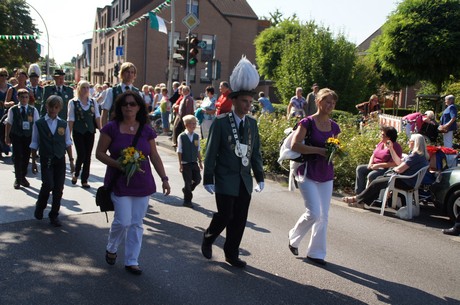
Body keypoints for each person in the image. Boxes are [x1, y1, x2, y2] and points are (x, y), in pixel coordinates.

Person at [95, 91, 170, 275]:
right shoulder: (111, 128)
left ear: (138, 107)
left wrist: (164, 178)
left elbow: (154, 156)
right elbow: (100, 153)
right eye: (125, 104)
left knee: (136, 223)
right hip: (119, 182)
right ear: (120, 108)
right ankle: (112, 247)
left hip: (142, 183)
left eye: (133, 104)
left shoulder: (146, 130)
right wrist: (118, 164)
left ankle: (132, 260)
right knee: (123, 221)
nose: (128, 107)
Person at [201, 57, 264, 268]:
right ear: (235, 101)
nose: (248, 106)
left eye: (250, 102)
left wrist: (260, 176)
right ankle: (209, 237)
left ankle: (231, 253)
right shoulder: (221, 122)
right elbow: (211, 152)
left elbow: (255, 152)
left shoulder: (252, 125)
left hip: (244, 179)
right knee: (225, 215)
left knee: (239, 219)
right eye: (244, 101)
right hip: (225, 177)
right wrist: (208, 177)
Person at [287, 88, 340, 266]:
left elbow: (335, 148)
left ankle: (316, 253)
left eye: (332, 102)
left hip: (326, 173)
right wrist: (319, 151)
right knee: (314, 212)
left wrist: (336, 152)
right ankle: (293, 237)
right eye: (326, 101)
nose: (330, 105)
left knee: (324, 216)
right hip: (307, 171)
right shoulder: (307, 122)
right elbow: (295, 145)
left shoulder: (334, 127)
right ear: (318, 102)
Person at [343, 133, 429, 208]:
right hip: (408, 181)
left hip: (405, 181)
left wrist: (393, 169)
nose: (408, 143)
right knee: (378, 181)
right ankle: (362, 202)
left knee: (376, 182)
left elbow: (399, 169)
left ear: (414, 143)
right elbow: (398, 162)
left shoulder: (415, 156)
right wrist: (391, 148)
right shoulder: (420, 156)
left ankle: (356, 199)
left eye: (409, 141)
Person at [30, 95, 75, 227]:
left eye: (56, 107)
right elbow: (34, 143)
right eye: (51, 107)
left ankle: (54, 215)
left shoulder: (63, 123)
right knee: (48, 184)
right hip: (46, 158)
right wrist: (33, 162)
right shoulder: (39, 124)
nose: (53, 110)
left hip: (59, 158)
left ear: (60, 108)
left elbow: (68, 142)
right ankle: (40, 205)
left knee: (58, 188)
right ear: (46, 107)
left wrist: (71, 161)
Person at [68, 80, 101, 188]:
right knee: (81, 154)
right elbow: (71, 119)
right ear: (79, 89)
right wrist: (68, 134)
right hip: (78, 131)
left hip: (90, 132)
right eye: (83, 87)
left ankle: (84, 180)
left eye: (87, 87)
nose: (86, 90)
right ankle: (76, 173)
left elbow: (97, 116)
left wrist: (101, 129)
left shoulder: (93, 101)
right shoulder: (73, 102)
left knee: (88, 156)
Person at [5, 88, 40, 189]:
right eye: (22, 97)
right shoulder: (13, 109)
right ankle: (18, 178)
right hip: (17, 136)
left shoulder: (33, 110)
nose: (24, 99)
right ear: (18, 98)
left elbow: (37, 124)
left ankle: (23, 176)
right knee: (17, 156)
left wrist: (37, 138)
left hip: (28, 136)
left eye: (26, 97)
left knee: (25, 157)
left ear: (29, 98)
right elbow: (9, 123)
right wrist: (7, 136)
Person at [354, 126, 403, 195]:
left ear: (388, 137)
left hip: (385, 169)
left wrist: (378, 165)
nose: (381, 136)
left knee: (372, 175)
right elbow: (374, 154)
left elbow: (394, 163)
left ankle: (368, 196)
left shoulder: (395, 147)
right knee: (360, 169)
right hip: (374, 165)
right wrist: (370, 163)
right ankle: (359, 194)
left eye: (383, 135)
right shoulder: (381, 143)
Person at [101, 62, 139, 127]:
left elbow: (140, 113)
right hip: (115, 128)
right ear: (122, 73)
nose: (130, 74)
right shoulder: (112, 91)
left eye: (132, 72)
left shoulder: (137, 93)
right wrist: (104, 131)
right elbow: (105, 112)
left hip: (132, 129)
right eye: (127, 72)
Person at [177, 115, 203, 208]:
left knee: (198, 179)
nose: (193, 125)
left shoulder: (196, 136)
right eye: (191, 123)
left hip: (194, 162)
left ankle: (187, 190)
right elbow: (179, 151)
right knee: (187, 182)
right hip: (185, 163)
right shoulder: (182, 136)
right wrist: (180, 164)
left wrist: (200, 161)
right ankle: (187, 201)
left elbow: (198, 149)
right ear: (186, 125)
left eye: (195, 123)